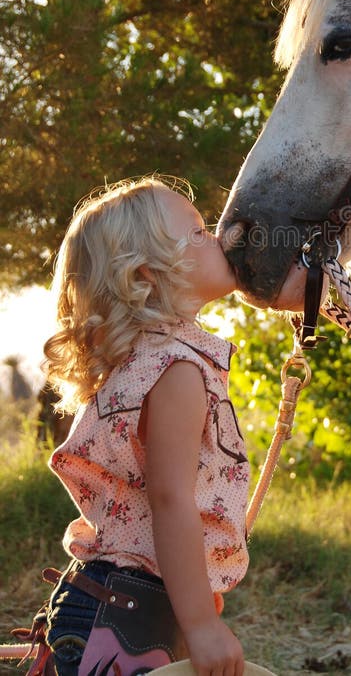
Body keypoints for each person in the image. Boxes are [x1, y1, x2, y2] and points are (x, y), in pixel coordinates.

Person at [40, 175, 250, 676]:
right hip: (123, 615)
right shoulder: (176, 369)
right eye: (198, 233)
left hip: (109, 602)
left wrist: (189, 593)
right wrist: (198, 623)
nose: (219, 238)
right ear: (148, 275)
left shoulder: (139, 360)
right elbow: (170, 499)